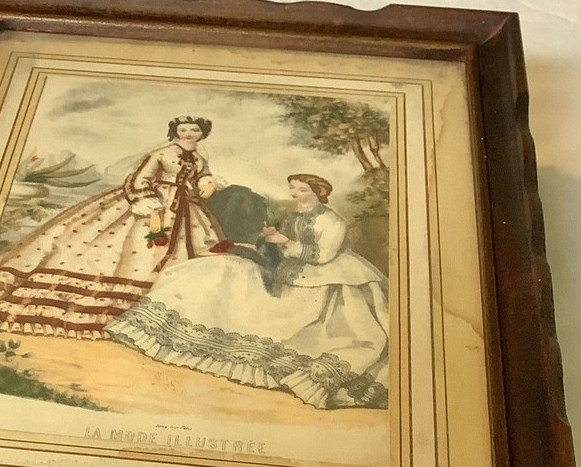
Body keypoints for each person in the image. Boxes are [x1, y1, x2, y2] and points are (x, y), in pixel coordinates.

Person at [106, 173, 389, 409]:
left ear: (318, 193)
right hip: (291, 273)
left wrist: (285, 242)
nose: (295, 194)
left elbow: (323, 255)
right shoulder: (293, 215)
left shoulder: (332, 221)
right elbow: (282, 245)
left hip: (329, 278)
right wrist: (272, 239)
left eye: (302, 189)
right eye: (293, 188)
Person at [0, 116, 227, 339]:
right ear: (175, 131)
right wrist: (150, 205)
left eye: (194, 130)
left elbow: (202, 176)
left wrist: (206, 182)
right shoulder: (161, 154)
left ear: (202, 133)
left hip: (186, 209)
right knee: (129, 252)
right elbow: (139, 179)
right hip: (154, 205)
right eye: (183, 129)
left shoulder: (199, 158)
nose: (188, 134)